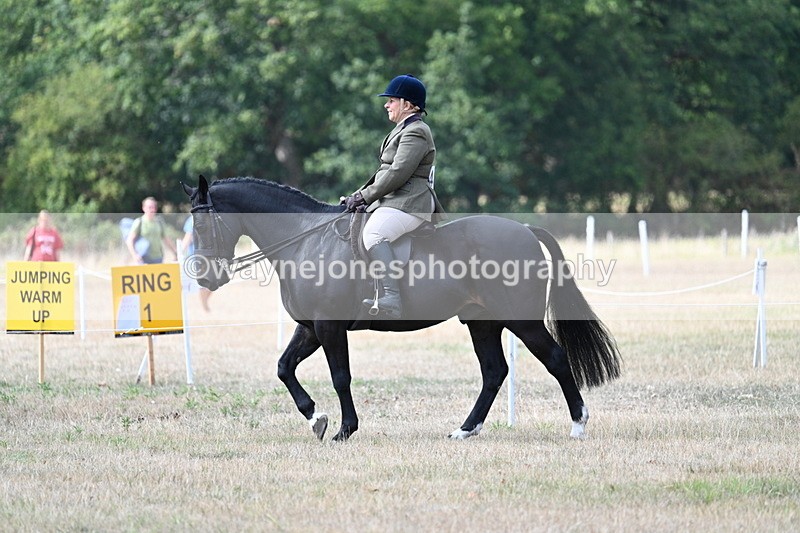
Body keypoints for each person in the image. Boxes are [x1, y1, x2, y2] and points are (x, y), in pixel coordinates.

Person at [342, 74, 445, 318]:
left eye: (391, 100)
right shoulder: (403, 130)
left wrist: (365, 197)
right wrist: (358, 195)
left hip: (411, 203)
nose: (386, 105)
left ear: (407, 104)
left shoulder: (417, 131)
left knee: (374, 233)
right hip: (395, 201)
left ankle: (391, 297)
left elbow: (398, 172)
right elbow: (383, 172)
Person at [126, 197, 177, 264]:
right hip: (143, 258)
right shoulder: (139, 222)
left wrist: (175, 252)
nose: (152, 209)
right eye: (149, 207)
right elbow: (129, 240)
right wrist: (135, 255)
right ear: (144, 208)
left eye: (154, 207)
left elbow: (166, 239)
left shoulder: (159, 222)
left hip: (158, 258)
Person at [181, 215, 212, 311]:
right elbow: (187, 238)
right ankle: (204, 305)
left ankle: (204, 302)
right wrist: (180, 254)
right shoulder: (192, 220)